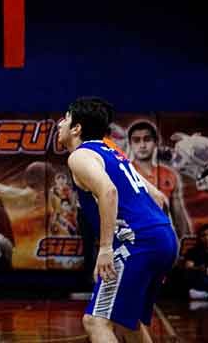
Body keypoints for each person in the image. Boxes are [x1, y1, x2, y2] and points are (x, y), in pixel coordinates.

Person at [60, 97, 177, 343]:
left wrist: (106, 249)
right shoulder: (113, 153)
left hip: (138, 242)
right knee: (128, 321)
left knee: (96, 321)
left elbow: (108, 191)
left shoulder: (80, 156)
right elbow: (158, 198)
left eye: (65, 119)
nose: (60, 123)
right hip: (162, 238)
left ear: (76, 128)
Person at [184, 224, 208, 300]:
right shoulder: (193, 252)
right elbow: (188, 267)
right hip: (201, 278)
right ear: (200, 238)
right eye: (203, 235)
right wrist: (199, 268)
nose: (206, 238)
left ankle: (205, 295)